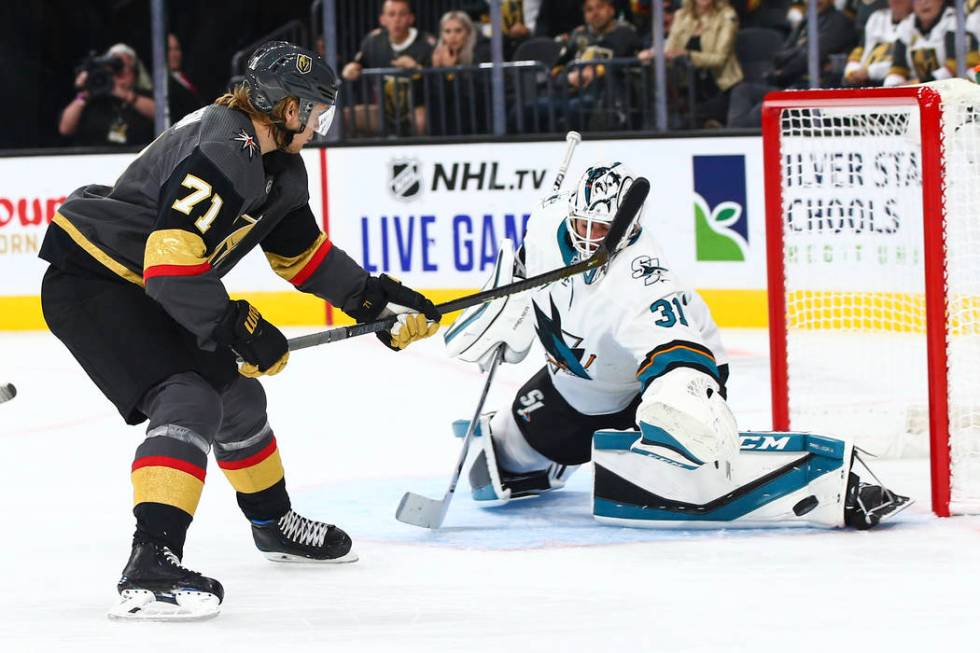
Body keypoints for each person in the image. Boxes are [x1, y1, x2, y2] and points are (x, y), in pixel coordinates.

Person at [39, 41, 441, 621]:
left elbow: (302, 255)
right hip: (95, 281)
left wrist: (373, 299)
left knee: (239, 398)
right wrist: (232, 325)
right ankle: (151, 563)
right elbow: (170, 258)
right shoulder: (226, 145)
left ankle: (273, 524)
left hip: (146, 285)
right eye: (316, 110)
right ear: (287, 108)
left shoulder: (277, 164)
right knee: (188, 397)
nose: (320, 123)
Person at [445, 161, 909, 529]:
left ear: (627, 226)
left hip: (642, 389)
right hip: (576, 387)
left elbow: (680, 353)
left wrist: (678, 401)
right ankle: (554, 462)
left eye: (601, 230)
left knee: (679, 422)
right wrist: (508, 305)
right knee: (496, 467)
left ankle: (819, 478)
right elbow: (522, 267)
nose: (587, 238)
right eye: (580, 224)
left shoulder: (642, 278)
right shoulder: (547, 222)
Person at [727, 0, 856, 127]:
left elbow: (810, 57)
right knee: (742, 91)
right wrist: (798, 52)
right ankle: (734, 137)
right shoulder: (807, 20)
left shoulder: (839, 21)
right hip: (791, 85)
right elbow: (779, 55)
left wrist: (786, 68)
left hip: (813, 90)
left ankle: (738, 139)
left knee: (763, 109)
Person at [639, 0, 743, 127]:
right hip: (688, 88)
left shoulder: (727, 16)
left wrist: (688, 55)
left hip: (721, 87)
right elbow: (670, 49)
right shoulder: (682, 15)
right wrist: (653, 54)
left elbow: (719, 58)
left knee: (690, 120)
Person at [341, 0, 435, 136]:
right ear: (382, 19)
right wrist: (351, 68)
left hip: (416, 110)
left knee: (421, 120)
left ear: (411, 18)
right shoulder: (373, 41)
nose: (397, 19)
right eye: (391, 14)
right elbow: (359, 62)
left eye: (402, 14)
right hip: (382, 112)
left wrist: (417, 68)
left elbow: (438, 82)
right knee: (343, 117)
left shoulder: (427, 43)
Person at [58, 43, 156, 147]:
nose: (119, 75)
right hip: (95, 157)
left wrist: (126, 95)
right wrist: (84, 93)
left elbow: (159, 115)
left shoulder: (143, 96)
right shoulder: (94, 95)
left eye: (123, 69)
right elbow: (65, 129)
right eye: (114, 70)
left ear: (134, 73)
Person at [884, 0, 978, 86]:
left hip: (954, 90)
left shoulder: (956, 21)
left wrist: (918, 84)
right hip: (917, 91)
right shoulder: (905, 26)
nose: (924, 2)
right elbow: (898, 68)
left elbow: (956, 66)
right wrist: (889, 87)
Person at [430, 11, 490, 135]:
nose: (452, 37)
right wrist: (439, 72)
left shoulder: (481, 51)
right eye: (447, 31)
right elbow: (438, 95)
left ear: (468, 33)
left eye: (458, 31)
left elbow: (475, 94)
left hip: (478, 115)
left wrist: (453, 71)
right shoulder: (437, 55)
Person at [841, 0, 912, 86]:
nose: (895, 1)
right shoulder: (877, 17)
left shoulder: (914, 24)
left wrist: (870, 72)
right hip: (862, 79)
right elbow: (860, 50)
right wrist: (852, 70)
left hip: (891, 80)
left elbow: (903, 65)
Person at [168, 32, 203, 122]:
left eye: (177, 49)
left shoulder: (188, 77)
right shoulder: (166, 84)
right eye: (169, 50)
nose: (174, 54)